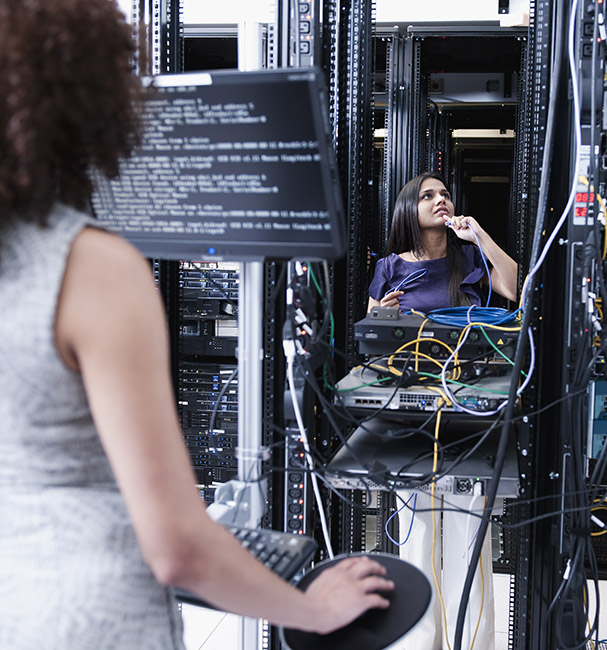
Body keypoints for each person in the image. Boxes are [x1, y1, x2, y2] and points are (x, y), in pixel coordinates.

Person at [0, 2, 393, 649]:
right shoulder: (91, 267)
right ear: (83, 95)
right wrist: (312, 607)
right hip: (85, 619)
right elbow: (180, 550)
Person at [366, 171, 518, 650]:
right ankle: (417, 640)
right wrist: (384, 313)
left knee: (470, 530)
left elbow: (512, 287)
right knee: (417, 531)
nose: (440, 200)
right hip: (410, 404)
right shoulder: (389, 266)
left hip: (465, 403)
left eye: (445, 194)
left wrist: (478, 234)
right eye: (428, 195)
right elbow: (372, 337)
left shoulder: (469, 257)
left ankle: (473, 643)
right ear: (409, 208)